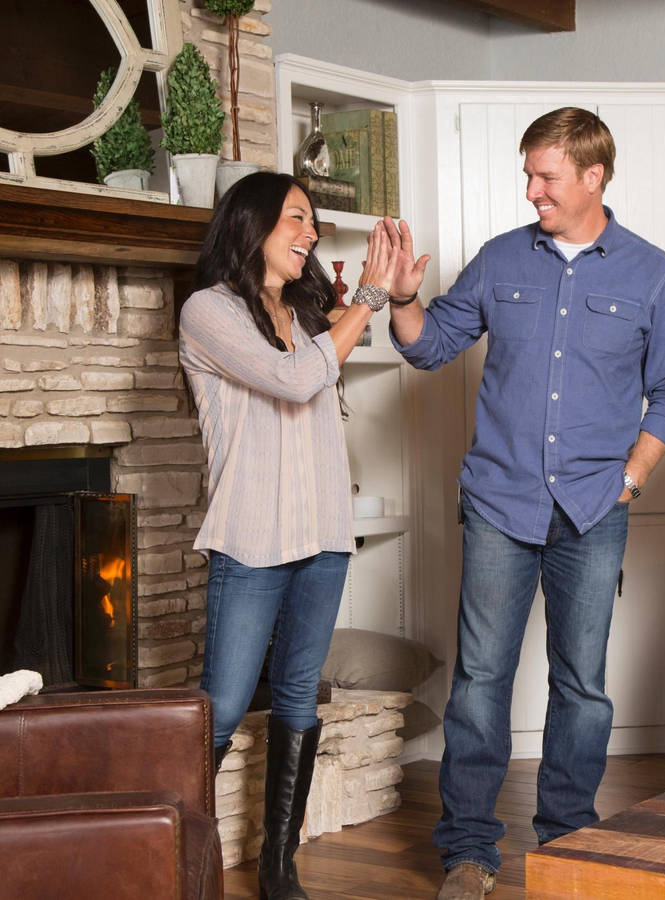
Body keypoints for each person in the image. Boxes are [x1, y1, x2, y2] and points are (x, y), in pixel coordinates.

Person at [382, 107, 665, 900]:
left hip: (593, 506)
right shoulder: (500, 258)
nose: (531, 189)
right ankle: (468, 855)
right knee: (480, 680)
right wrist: (402, 298)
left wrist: (632, 476)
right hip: (498, 501)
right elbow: (428, 345)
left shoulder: (652, 274)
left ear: (592, 175)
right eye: (527, 174)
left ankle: (567, 843)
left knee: (581, 686)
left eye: (545, 175)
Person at [179, 171, 397, 900]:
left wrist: (387, 295)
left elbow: (319, 372)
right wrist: (368, 296)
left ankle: (279, 865)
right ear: (253, 222)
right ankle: (176, 861)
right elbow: (296, 381)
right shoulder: (208, 311)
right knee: (224, 706)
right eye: (297, 218)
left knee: (300, 697)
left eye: (312, 221)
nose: (310, 233)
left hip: (323, 534)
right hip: (251, 538)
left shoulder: (306, 318)